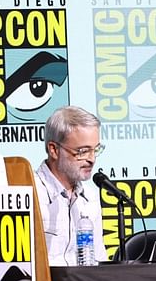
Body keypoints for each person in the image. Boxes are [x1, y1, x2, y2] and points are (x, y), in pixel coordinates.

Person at [34, 106, 108, 266]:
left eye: (96, 150)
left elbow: (98, 262)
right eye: (82, 151)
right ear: (53, 150)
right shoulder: (31, 194)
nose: (92, 159)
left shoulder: (90, 198)